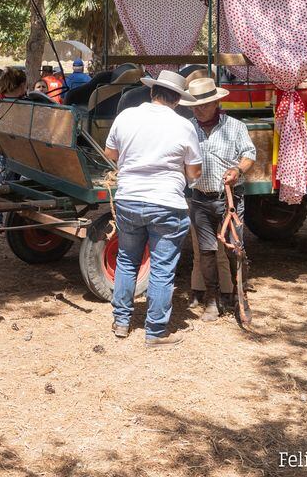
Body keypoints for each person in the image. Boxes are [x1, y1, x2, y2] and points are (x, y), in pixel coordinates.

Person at [103, 69, 202, 346]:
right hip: (166, 202)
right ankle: (155, 331)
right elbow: (194, 172)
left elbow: (111, 153)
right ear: (177, 100)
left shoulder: (126, 116)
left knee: (127, 259)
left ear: (151, 92)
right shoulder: (184, 126)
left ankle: (122, 321)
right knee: (161, 268)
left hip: (129, 198)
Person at [183, 77, 257, 322]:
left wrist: (238, 170)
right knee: (206, 252)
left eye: (204, 104)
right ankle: (212, 300)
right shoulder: (187, 128)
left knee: (236, 249)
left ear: (216, 103)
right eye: (195, 105)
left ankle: (239, 295)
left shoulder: (235, 127)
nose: (198, 109)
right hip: (200, 199)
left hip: (229, 200)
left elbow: (249, 153)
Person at [0, 67, 28, 228]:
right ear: (20, 86)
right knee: (5, 184)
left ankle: (13, 216)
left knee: (13, 182)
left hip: (14, 149)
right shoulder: (1, 102)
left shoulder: (1, 100)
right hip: (7, 150)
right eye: (25, 86)